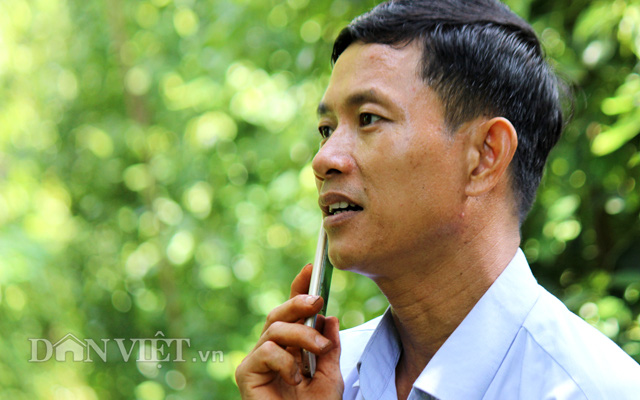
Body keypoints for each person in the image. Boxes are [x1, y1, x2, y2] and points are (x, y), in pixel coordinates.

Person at [235, 0, 640, 399]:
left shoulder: (592, 390)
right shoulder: (323, 381)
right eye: (326, 129)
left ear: (485, 156)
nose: (323, 159)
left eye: (369, 118)